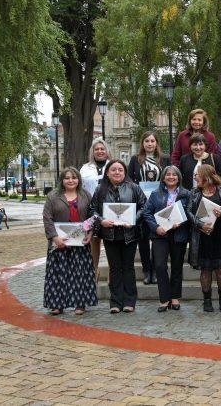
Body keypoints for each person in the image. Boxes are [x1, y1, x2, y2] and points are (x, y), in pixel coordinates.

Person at [88, 160, 146, 313]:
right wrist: (101, 220)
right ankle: (115, 302)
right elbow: (92, 210)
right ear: (107, 172)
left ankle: (129, 302)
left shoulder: (134, 188)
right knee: (114, 268)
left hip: (129, 234)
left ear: (125, 172)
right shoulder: (100, 189)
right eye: (113, 170)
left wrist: (133, 220)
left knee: (128, 267)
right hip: (110, 234)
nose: (117, 172)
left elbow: (144, 207)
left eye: (120, 169)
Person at [42, 168, 97, 315]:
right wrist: (55, 237)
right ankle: (57, 304)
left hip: (80, 242)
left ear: (78, 179)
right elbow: (47, 218)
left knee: (80, 273)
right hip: (59, 242)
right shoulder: (53, 196)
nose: (70, 180)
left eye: (74, 177)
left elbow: (92, 216)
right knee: (58, 274)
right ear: (62, 180)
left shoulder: (85, 195)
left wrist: (90, 234)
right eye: (67, 178)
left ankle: (80, 303)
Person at [186, 165, 221, 313]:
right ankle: (207, 300)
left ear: (206, 175)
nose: (195, 178)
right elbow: (188, 212)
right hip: (202, 236)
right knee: (205, 269)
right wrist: (200, 224)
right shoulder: (194, 192)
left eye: (197, 175)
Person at [142, 166, 190, 312]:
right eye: (168, 174)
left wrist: (181, 222)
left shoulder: (186, 193)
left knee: (177, 266)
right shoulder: (155, 194)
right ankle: (164, 298)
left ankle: (174, 297)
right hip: (159, 235)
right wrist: (156, 227)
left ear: (179, 177)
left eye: (174, 175)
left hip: (178, 234)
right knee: (160, 266)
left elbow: (190, 212)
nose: (171, 177)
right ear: (163, 178)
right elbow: (147, 213)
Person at [127, 131, 171, 285]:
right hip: (141, 204)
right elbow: (129, 181)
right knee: (143, 238)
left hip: (159, 203)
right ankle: (147, 270)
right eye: (147, 141)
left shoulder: (165, 159)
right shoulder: (135, 160)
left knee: (159, 238)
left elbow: (170, 179)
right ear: (142, 143)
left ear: (156, 143)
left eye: (152, 141)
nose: (150, 143)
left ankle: (158, 270)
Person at [80, 138, 111, 278]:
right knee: (94, 239)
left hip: (110, 208)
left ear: (107, 151)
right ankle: (94, 270)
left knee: (111, 240)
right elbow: (80, 188)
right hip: (91, 209)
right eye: (97, 149)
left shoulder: (113, 165)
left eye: (102, 149)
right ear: (92, 152)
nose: (99, 151)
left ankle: (113, 271)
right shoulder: (85, 168)